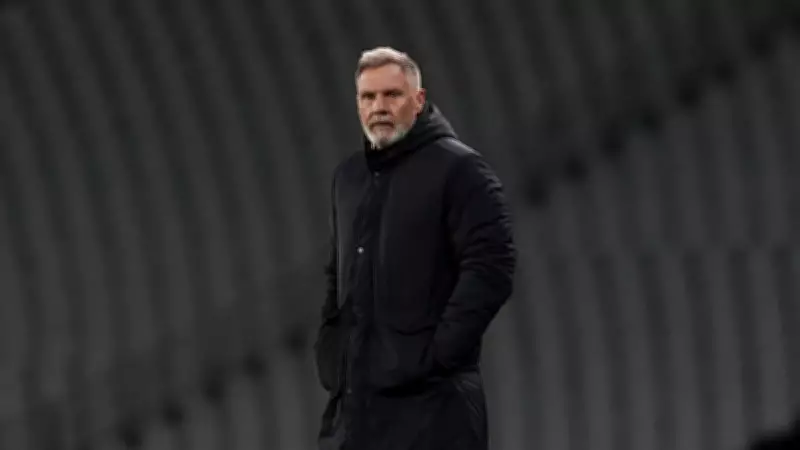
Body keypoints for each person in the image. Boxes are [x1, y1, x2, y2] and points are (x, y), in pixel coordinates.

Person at [314, 46, 516, 450]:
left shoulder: (461, 170)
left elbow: (492, 266)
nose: (379, 107)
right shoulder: (349, 178)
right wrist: (333, 352)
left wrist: (435, 357)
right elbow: (338, 273)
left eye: (392, 95)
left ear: (419, 100)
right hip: (356, 416)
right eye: (368, 97)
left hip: (434, 415)